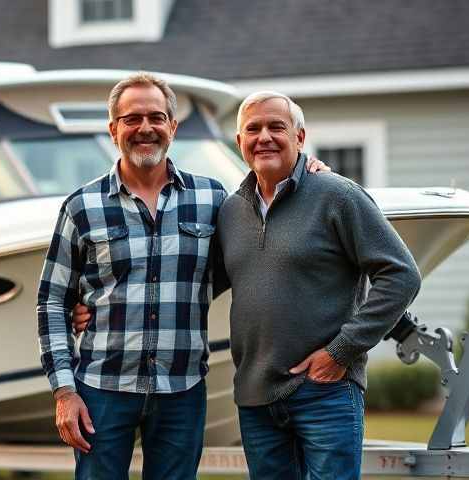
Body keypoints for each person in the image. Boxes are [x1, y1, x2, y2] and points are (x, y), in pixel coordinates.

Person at [37, 74, 325, 479]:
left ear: (172, 127)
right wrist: (64, 391)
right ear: (113, 128)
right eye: (132, 118)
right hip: (101, 389)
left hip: (182, 390)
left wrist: (308, 174)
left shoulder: (213, 199)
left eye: (156, 117)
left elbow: (263, 229)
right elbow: (51, 301)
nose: (145, 128)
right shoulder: (81, 206)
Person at [217, 91, 421, 479]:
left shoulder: (337, 195)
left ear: (300, 136)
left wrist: (341, 351)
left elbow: (401, 274)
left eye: (277, 126)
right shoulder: (229, 212)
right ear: (239, 141)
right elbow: (198, 283)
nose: (264, 137)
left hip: (324, 392)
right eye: (252, 128)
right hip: (255, 398)